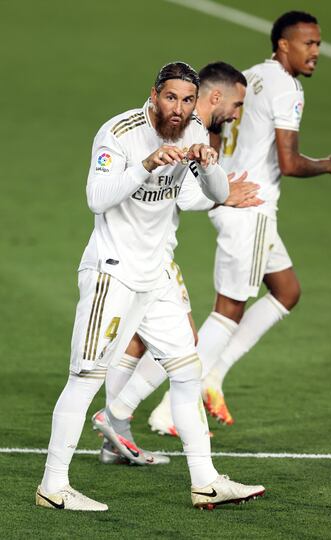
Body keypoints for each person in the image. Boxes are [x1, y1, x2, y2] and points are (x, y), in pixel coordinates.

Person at [35, 61, 265, 511]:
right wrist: (144, 165)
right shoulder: (120, 133)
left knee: (185, 371)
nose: (178, 109)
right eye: (170, 98)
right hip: (112, 273)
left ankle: (205, 480)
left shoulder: (195, 128)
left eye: (185, 100)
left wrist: (210, 163)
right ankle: (53, 486)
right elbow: (95, 198)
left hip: (156, 275)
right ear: (155, 94)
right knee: (84, 379)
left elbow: (214, 193)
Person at [95, 62, 262, 464]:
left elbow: (185, 194)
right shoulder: (185, 131)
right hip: (142, 255)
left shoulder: (195, 131)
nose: (237, 114)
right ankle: (115, 417)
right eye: (237, 104)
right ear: (215, 96)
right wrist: (223, 195)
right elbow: (182, 196)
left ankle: (112, 435)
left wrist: (217, 190)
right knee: (183, 341)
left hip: (151, 251)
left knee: (140, 338)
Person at [195, 11, 331, 425]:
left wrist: (217, 179)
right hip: (252, 208)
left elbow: (213, 126)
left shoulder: (248, 76)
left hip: (232, 198)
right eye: (308, 44)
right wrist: (328, 164)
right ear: (284, 44)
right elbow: (291, 162)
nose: (316, 51)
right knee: (227, 311)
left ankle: (213, 375)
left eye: (318, 43)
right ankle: (171, 403)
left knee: (286, 290)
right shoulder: (288, 89)